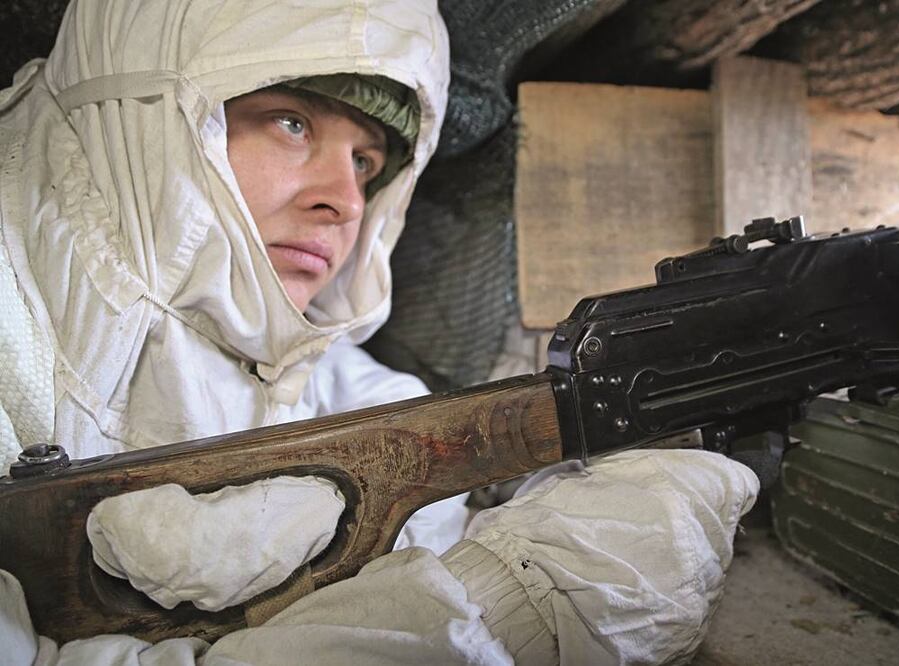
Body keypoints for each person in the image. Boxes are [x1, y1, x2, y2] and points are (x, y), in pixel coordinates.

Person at [0, 0, 759, 664]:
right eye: (292, 122)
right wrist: (514, 607)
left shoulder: (295, 355)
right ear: (138, 118)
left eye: (366, 162)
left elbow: (421, 463)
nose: (346, 202)